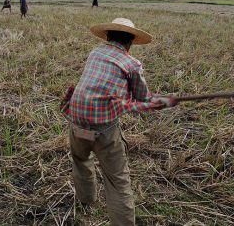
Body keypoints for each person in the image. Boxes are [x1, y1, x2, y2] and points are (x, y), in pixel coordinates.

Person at [61, 18, 177, 226]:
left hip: (76, 121)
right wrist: (163, 101)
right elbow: (142, 97)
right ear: (131, 42)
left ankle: (86, 199)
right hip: (103, 129)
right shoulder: (131, 64)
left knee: (80, 159)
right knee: (117, 180)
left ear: (107, 36)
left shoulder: (95, 52)